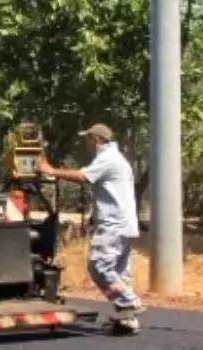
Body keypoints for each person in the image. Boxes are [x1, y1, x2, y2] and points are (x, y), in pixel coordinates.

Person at [38, 123, 145, 336]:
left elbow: (82, 177)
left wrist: (51, 171)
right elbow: (112, 190)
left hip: (114, 226)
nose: (85, 144)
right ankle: (127, 321)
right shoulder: (118, 159)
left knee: (99, 266)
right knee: (119, 273)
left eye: (87, 139)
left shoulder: (108, 159)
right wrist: (96, 213)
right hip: (124, 224)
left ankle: (129, 303)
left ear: (96, 139)